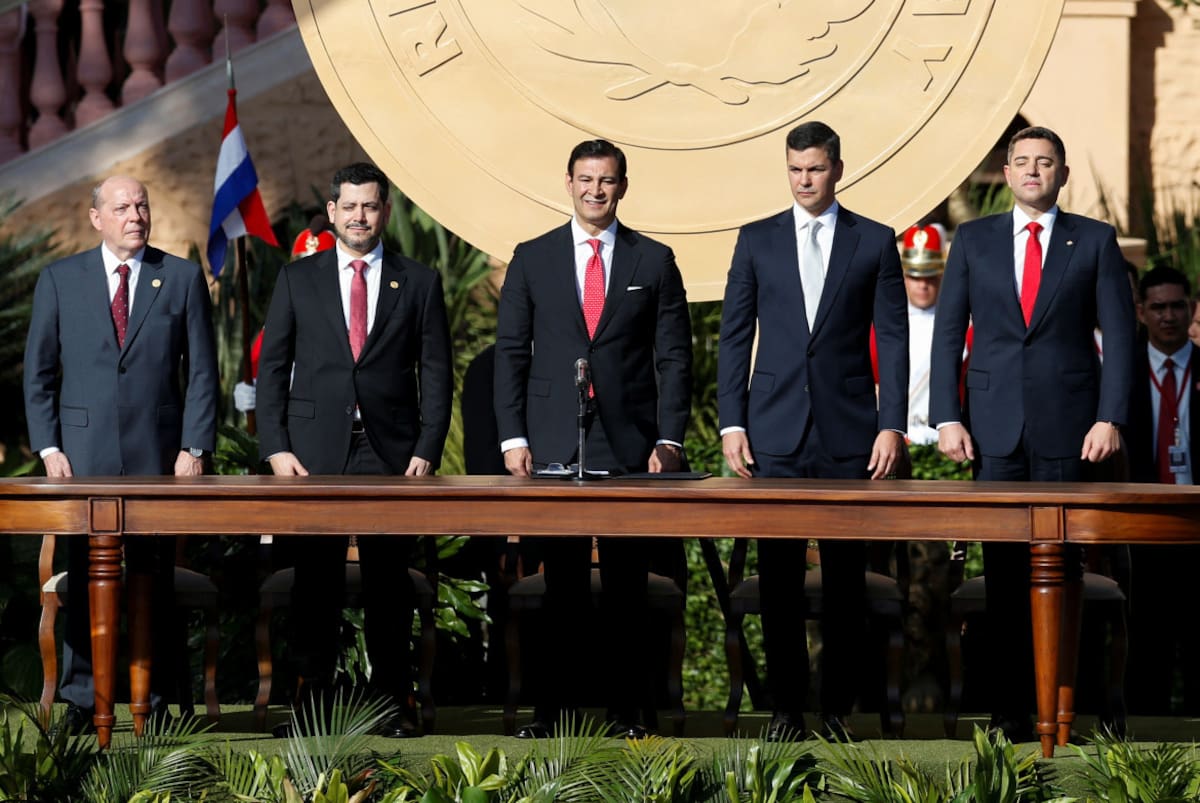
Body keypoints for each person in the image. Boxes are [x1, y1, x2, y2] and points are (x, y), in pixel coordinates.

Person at [929, 125, 1136, 740]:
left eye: (1045, 163)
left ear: (1062, 175)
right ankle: (1009, 711)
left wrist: (1111, 416)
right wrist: (947, 414)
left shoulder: (1093, 240)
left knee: (1063, 573)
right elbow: (948, 333)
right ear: (1009, 171)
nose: (1032, 171)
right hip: (993, 430)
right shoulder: (973, 239)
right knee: (1003, 577)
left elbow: (1120, 336)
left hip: (1069, 431)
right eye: (1021, 162)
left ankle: (1066, 706)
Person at [493, 138, 692, 739]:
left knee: (628, 588)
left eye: (606, 180)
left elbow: (675, 359)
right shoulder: (533, 257)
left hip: (631, 446)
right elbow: (510, 353)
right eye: (585, 179)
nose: (595, 190)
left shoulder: (653, 260)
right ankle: (554, 715)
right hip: (553, 439)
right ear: (568, 182)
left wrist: (670, 439)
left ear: (622, 186)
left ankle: (629, 714)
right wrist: (512, 436)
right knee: (563, 587)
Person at [717, 120, 909, 741]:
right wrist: (731, 421)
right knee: (777, 583)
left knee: (846, 583)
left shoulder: (875, 241)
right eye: (796, 169)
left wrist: (892, 425)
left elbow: (896, 341)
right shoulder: (756, 240)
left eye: (816, 169)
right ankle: (786, 711)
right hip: (772, 432)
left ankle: (835, 710)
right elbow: (735, 337)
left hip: (850, 435)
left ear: (838, 169)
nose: (805, 180)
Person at [256, 162, 453, 737]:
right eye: (350, 206)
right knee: (313, 585)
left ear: (384, 212)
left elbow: (436, 374)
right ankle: (310, 709)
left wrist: (428, 446)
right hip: (312, 453)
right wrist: (276, 448)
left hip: (391, 453)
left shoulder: (419, 282)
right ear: (334, 212)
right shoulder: (299, 278)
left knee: (388, 585)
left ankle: (392, 705)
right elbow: (273, 370)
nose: (360, 216)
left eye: (370, 206)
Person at [23, 175, 219, 732]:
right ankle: (85, 700)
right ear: (96, 218)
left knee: (153, 579)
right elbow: (38, 374)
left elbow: (203, 371)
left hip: (160, 460)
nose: (135, 215)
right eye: (122, 207)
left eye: (142, 205)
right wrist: (49, 446)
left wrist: (194, 446)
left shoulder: (179, 278)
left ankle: (152, 700)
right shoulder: (60, 280)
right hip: (82, 462)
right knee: (87, 578)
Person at [1123, 266, 1200, 715]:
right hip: (1143, 522)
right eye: (1158, 307)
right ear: (1141, 312)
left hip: (1196, 519)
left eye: (1176, 306)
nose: (1168, 316)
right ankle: (1144, 742)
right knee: (1146, 639)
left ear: (1190, 310)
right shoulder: (1120, 375)